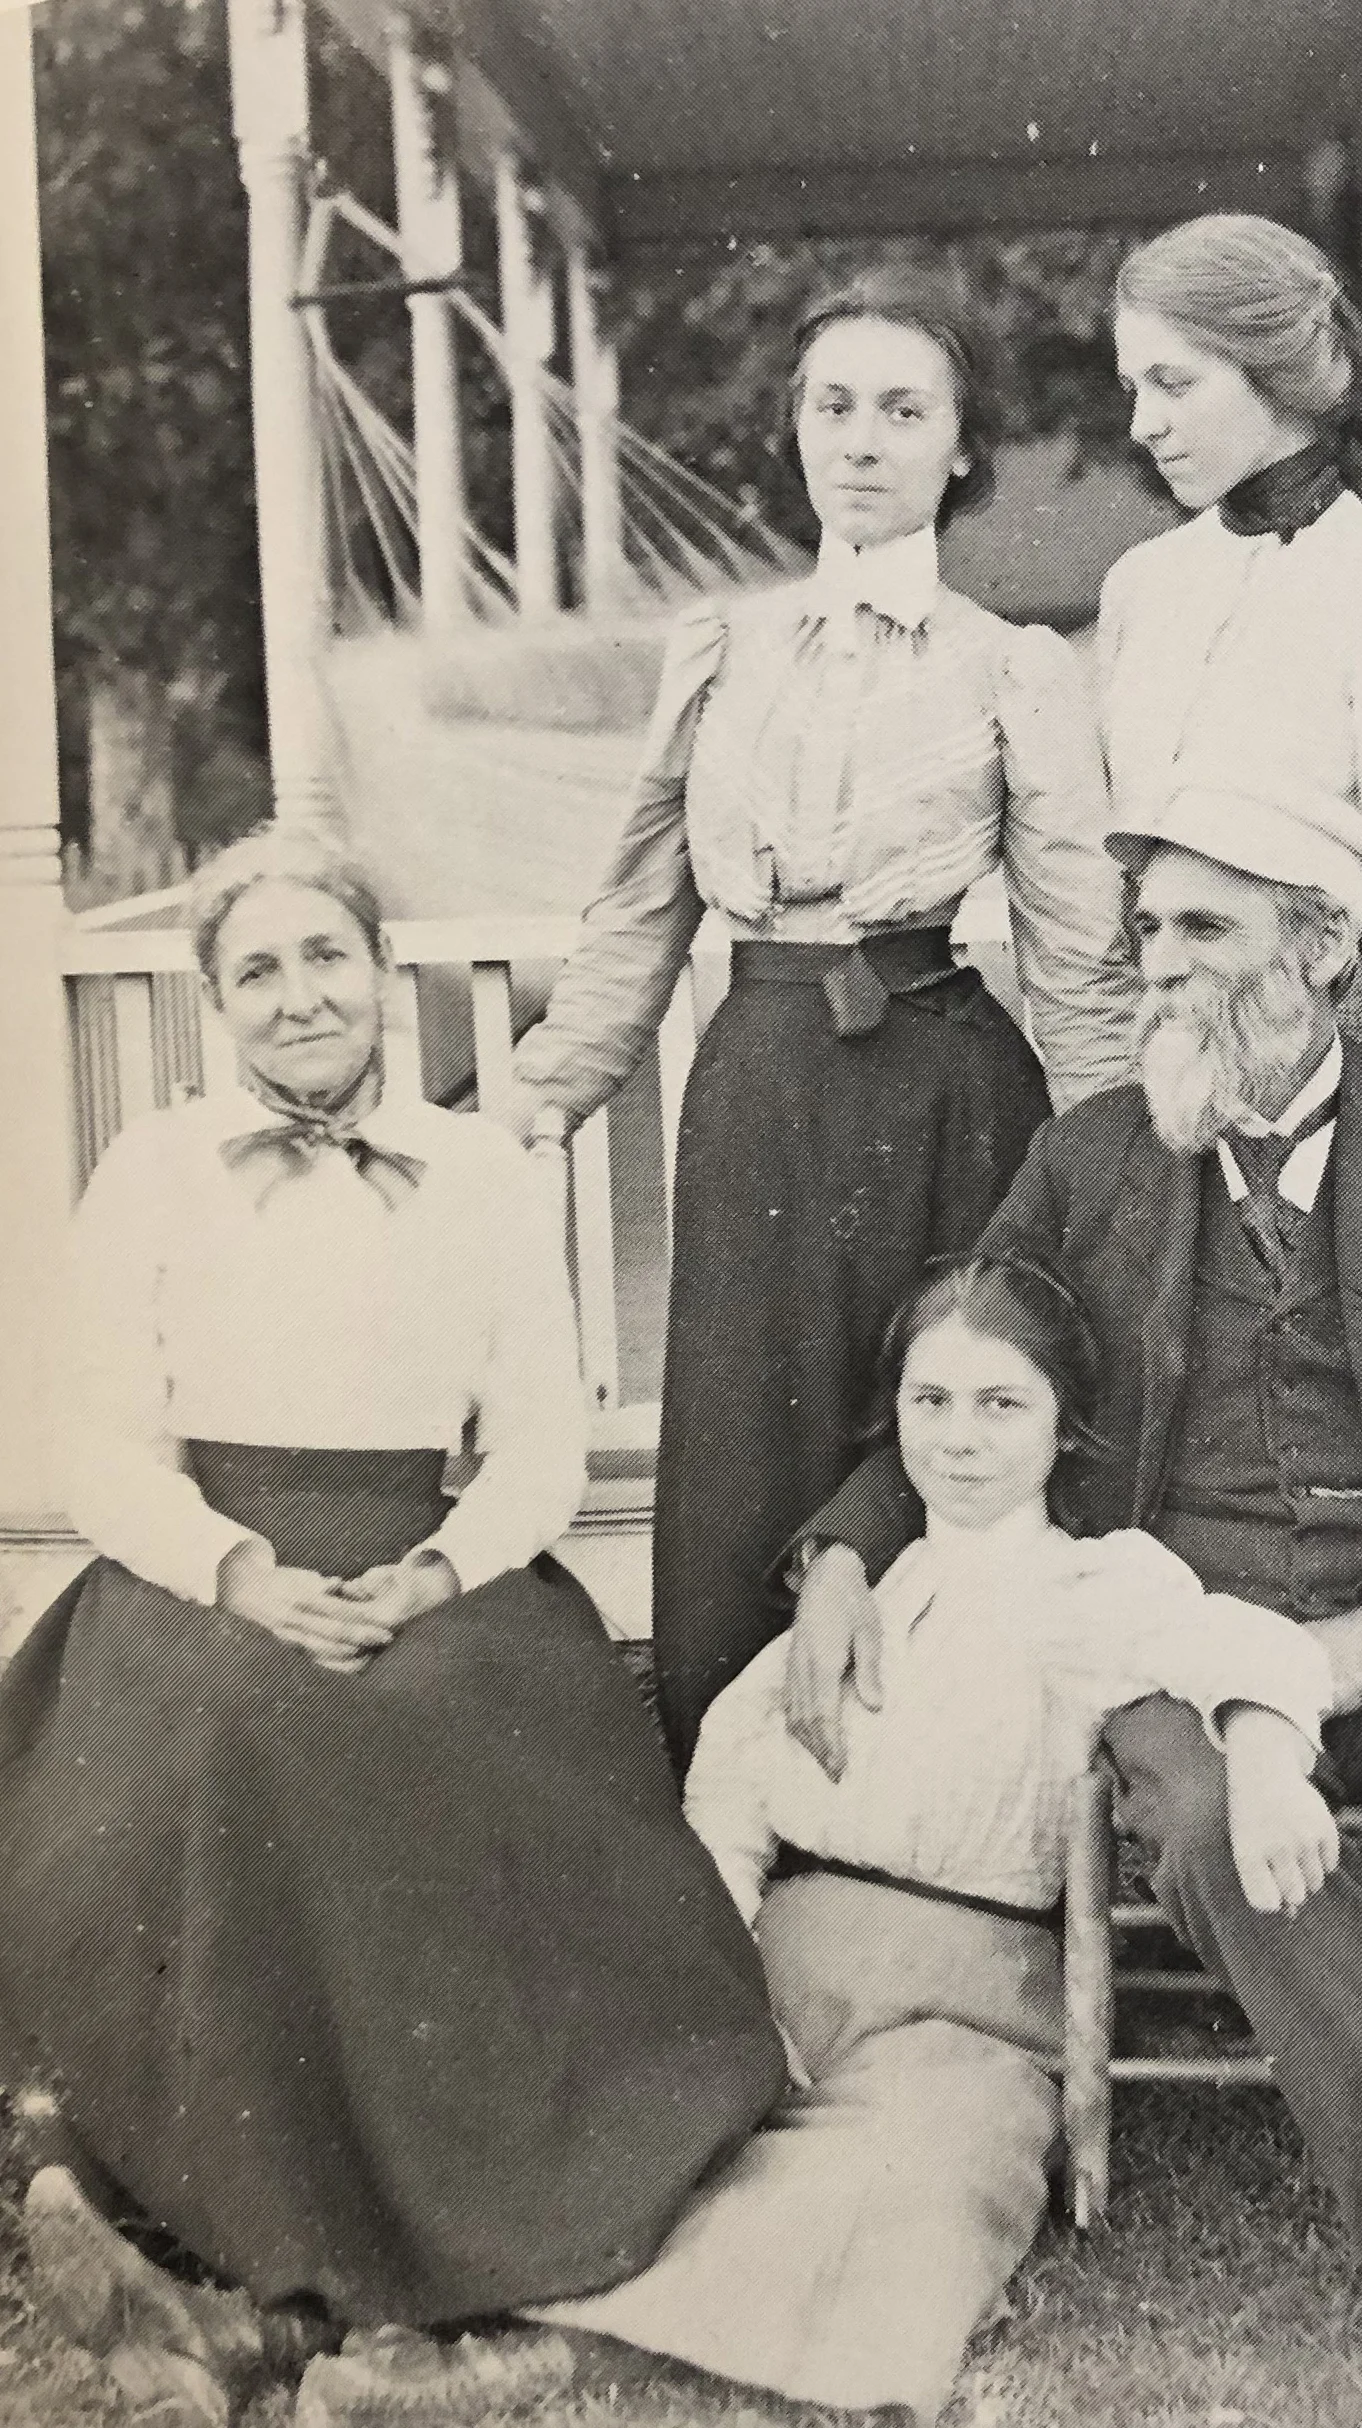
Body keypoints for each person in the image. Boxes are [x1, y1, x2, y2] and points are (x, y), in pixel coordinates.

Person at [785, 776, 1362, 2428]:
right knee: (1206, 1820)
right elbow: (968, 1366)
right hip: (1169, 1624)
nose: (1153, 962)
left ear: (1326, 951)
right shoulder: (1086, 1160)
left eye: (1200, 926)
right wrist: (848, 1547)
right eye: (1144, 927)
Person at [0, 830, 786, 2425]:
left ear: (385, 974)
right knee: (237, 1733)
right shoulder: (154, 1170)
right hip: (200, 1571)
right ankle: (232, 2231)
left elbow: (543, 1446)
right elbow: (92, 1438)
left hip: (431, 1565)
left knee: (445, 1738)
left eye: (327, 959)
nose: (300, 1000)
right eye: (259, 972)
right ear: (218, 1001)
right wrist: (230, 1568)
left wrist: (437, 1571)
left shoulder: (483, 1174)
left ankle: (450, 2222)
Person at [295, 1255, 1335, 2426]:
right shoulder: (855, 1598)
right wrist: (711, 1966)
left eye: (1003, 1405)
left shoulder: (1095, 1584)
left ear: (1065, 1426)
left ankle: (535, 2361)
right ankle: (328, 2305)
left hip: (967, 2010)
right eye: (928, 1403)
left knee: (918, 2173)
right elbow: (733, 1790)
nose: (959, 1439)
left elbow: (1250, 1650)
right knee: (610, 2105)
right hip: (775, 1975)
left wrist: (1256, 1752)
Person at [510, 265, 1135, 1772]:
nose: (864, 441)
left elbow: (1074, 940)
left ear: (960, 447)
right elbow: (642, 902)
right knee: (745, 1434)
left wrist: (1117, 1152)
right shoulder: (718, 651)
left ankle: (943, 1801)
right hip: (759, 1077)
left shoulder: (1014, 667)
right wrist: (543, 1096)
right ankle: (739, 1803)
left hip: (944, 1085)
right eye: (834, 406)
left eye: (905, 411)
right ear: (796, 430)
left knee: (942, 1415)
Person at [1101, 213, 1362, 1041]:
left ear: (1277, 373)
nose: (1143, 425)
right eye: (1134, 389)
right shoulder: (1144, 586)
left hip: (1333, 1038)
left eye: (1174, 384)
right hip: (1162, 1034)